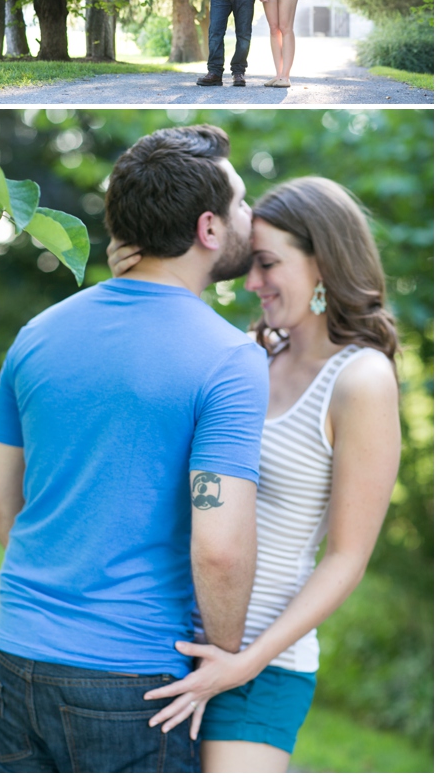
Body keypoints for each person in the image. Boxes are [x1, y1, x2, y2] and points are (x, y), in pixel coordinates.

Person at [0, 125, 270, 772]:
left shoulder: (37, 335)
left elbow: (6, 508)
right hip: (134, 677)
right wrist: (223, 656)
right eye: (241, 205)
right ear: (208, 229)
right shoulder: (230, 359)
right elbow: (221, 548)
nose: (250, 220)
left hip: (15, 654)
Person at [109, 177, 401, 772]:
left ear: (323, 261)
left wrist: (243, 662)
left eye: (267, 264)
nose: (251, 282)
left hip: (261, 668)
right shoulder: (248, 354)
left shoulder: (362, 380)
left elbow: (346, 558)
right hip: (164, 646)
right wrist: (126, 287)